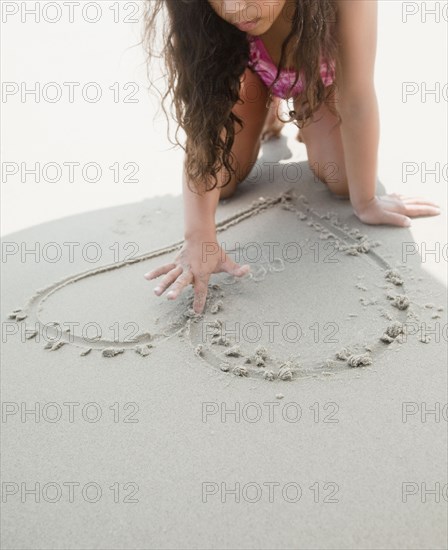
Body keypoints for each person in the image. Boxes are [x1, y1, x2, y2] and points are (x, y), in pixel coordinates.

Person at [142, 0, 440, 314]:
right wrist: (199, 234)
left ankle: (299, 107)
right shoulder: (214, 13)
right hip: (250, 69)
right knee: (224, 182)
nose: (235, 8)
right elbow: (205, 116)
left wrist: (365, 201)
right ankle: (265, 106)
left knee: (343, 181)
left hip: (317, 74)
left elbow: (356, 97)